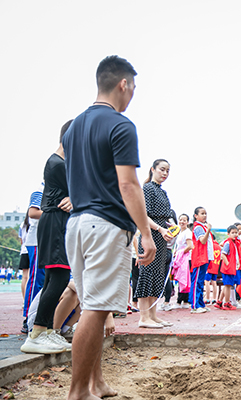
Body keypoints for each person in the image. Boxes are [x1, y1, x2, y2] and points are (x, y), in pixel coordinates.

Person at [62, 55, 156, 400]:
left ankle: (95, 383)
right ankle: (77, 392)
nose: (132, 95)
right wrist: (145, 233)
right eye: (133, 88)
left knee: (92, 307)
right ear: (123, 84)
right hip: (106, 225)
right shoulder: (120, 125)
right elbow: (129, 185)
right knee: (96, 309)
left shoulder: (74, 127)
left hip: (78, 224)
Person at [21, 120, 74, 354]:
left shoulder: (62, 163)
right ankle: (37, 333)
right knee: (59, 279)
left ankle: (48, 331)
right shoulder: (57, 164)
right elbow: (87, 189)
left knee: (56, 279)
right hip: (54, 225)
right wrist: (78, 199)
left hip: (57, 224)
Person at [136, 159, 174, 328]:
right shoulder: (147, 189)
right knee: (147, 274)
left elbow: (166, 216)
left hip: (161, 236)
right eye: (162, 169)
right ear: (153, 169)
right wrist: (160, 229)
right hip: (149, 234)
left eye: (167, 170)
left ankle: (153, 315)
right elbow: (143, 214)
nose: (165, 173)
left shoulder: (163, 192)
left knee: (158, 275)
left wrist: (171, 227)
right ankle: (143, 317)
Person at [22, 184, 45, 335]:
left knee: (45, 281)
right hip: (37, 241)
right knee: (35, 280)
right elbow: (32, 213)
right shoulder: (40, 189)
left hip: (51, 240)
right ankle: (27, 318)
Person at [190, 207, 213, 314]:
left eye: (205, 213)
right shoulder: (198, 227)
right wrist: (208, 230)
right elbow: (202, 241)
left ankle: (200, 303)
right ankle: (195, 305)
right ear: (196, 216)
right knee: (197, 282)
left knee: (201, 281)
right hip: (199, 257)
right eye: (202, 213)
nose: (205, 215)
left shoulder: (202, 226)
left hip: (205, 257)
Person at [218, 225, 241, 310]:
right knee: (228, 285)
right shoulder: (228, 243)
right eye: (232, 233)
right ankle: (227, 303)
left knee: (227, 285)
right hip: (228, 268)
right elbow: (223, 254)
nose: (235, 234)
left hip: (231, 268)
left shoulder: (234, 243)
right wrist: (228, 264)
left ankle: (220, 301)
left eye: (236, 232)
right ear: (228, 234)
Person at [172, 214, 193, 309]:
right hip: (180, 258)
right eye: (181, 220)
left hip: (186, 259)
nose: (182, 222)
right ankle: (183, 300)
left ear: (187, 222)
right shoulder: (180, 232)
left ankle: (182, 300)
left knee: (184, 279)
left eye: (184, 220)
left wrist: (180, 253)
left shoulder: (187, 232)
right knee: (181, 279)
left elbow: (190, 246)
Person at [204, 234, 220, 306]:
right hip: (216, 267)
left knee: (207, 282)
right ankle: (214, 298)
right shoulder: (219, 247)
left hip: (209, 266)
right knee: (214, 283)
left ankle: (207, 298)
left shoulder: (210, 245)